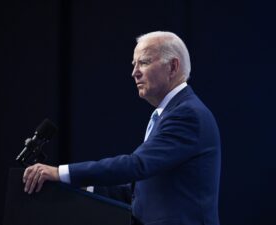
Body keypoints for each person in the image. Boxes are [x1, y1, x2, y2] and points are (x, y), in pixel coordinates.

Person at [23, 31, 221, 225]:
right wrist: (80, 185)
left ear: (172, 67)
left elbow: (136, 165)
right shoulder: (169, 114)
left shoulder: (187, 114)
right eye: (134, 64)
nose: (134, 72)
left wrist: (61, 173)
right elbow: (138, 192)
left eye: (143, 62)